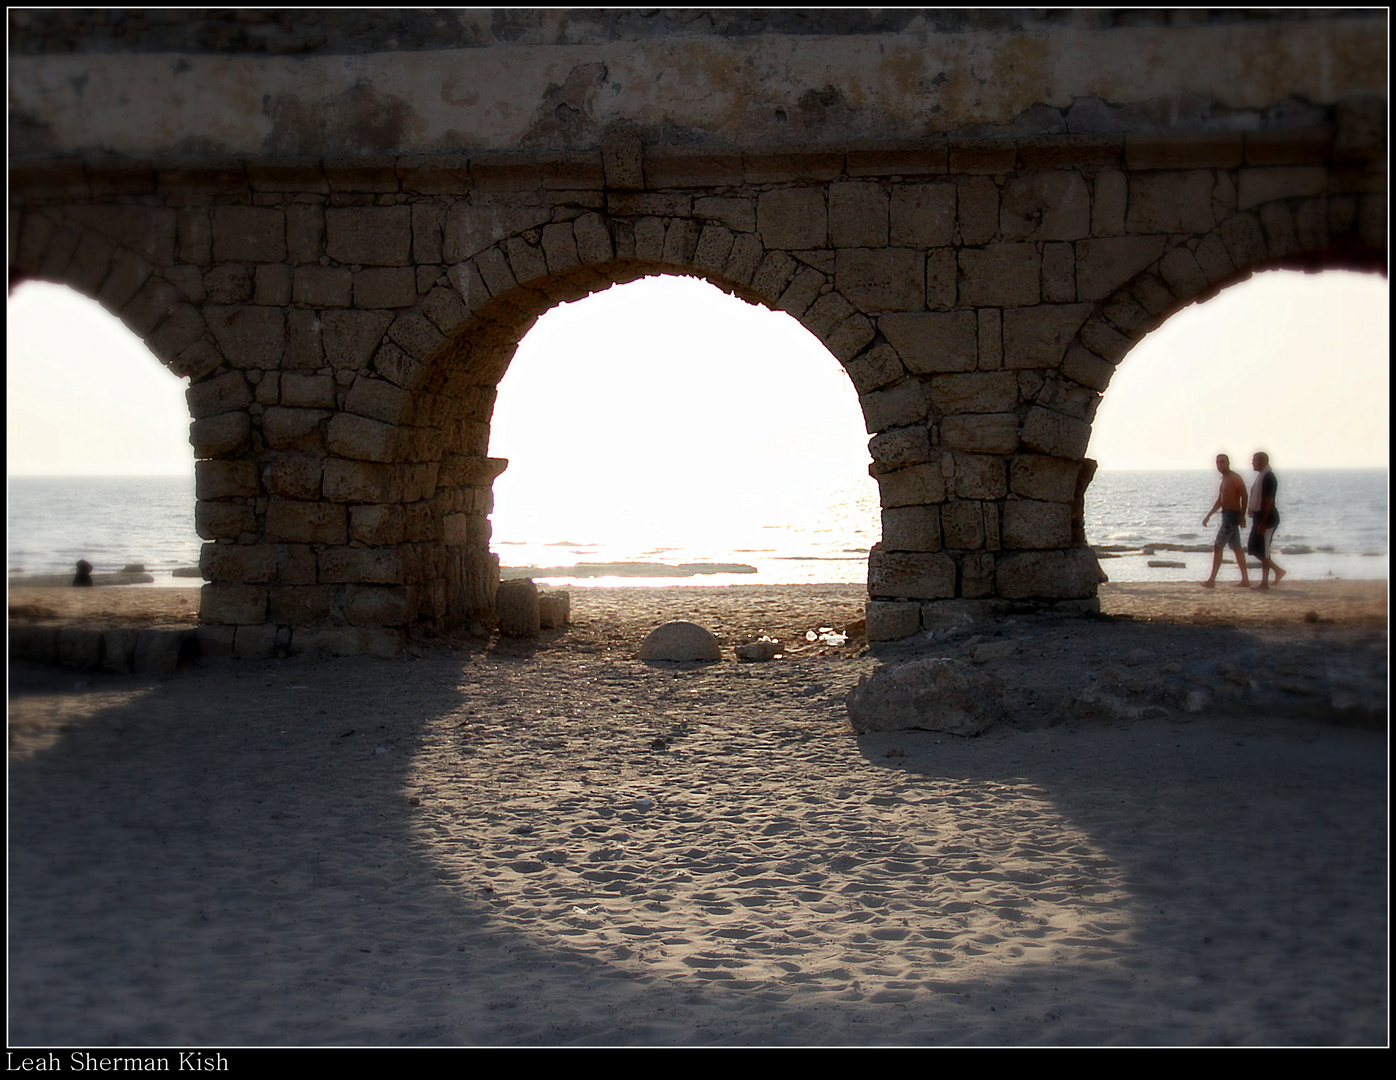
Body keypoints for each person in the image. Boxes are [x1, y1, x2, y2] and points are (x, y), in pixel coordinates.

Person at [1200, 453, 1250, 588]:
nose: (1220, 465)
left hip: (1232, 516)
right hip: (1226, 515)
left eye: (1222, 462)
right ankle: (1245, 579)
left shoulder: (1234, 478)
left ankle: (1212, 580)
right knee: (1236, 548)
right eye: (1217, 462)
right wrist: (1209, 515)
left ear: (1228, 463)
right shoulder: (1223, 479)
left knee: (1218, 546)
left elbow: (1244, 496)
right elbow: (1220, 500)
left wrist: (1242, 516)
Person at [1247, 451, 1285, 589]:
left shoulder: (1269, 477)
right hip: (1259, 517)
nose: (1252, 462)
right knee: (1253, 548)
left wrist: (1263, 522)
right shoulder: (1260, 477)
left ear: (1263, 461)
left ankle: (1264, 582)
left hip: (1268, 519)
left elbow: (1269, 501)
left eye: (1254, 460)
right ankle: (1278, 570)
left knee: (1264, 550)